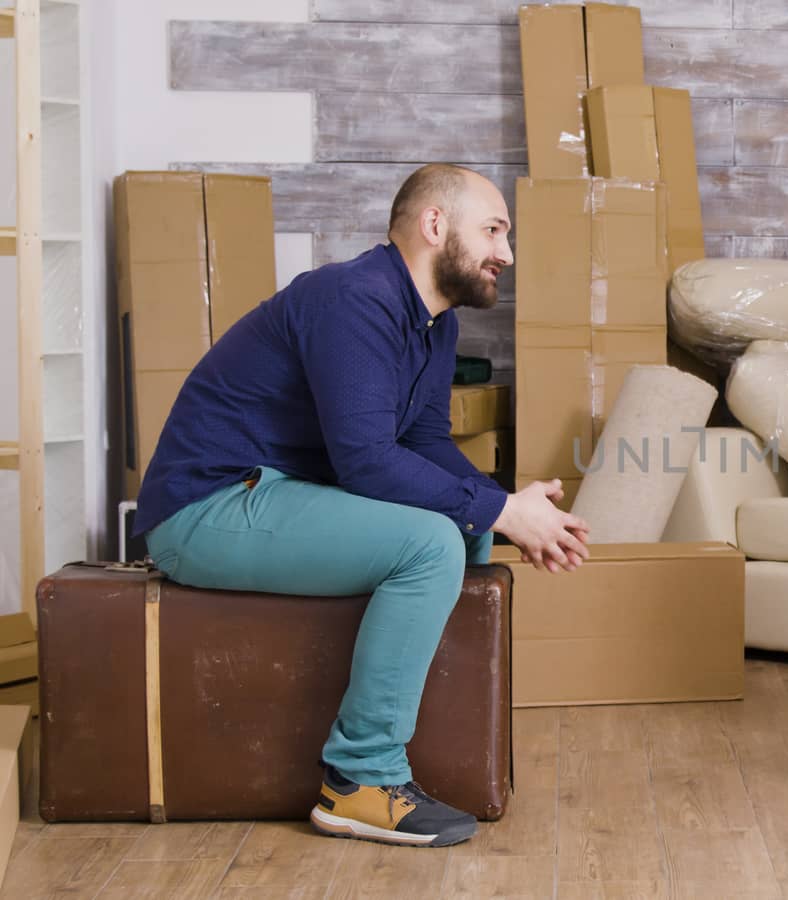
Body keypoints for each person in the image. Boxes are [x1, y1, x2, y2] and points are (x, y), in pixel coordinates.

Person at [135, 163, 591, 848]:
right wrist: (498, 511)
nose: (507, 253)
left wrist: (502, 508)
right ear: (436, 225)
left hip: (280, 495)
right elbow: (367, 460)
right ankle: (360, 780)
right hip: (209, 505)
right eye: (494, 230)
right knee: (433, 543)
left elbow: (423, 441)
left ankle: (432, 748)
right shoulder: (355, 298)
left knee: (460, 534)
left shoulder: (434, 326)